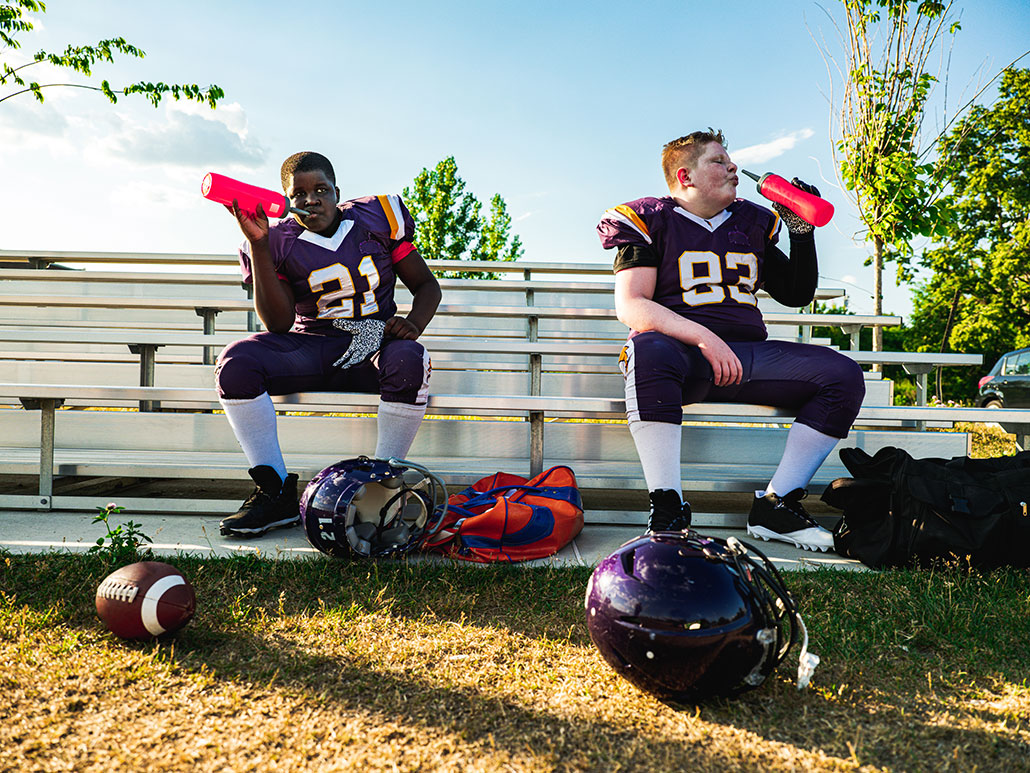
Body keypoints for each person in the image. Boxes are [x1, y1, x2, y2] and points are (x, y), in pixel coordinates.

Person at [596, 129, 864, 552]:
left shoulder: (750, 222)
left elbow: (795, 294)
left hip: (746, 355)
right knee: (646, 349)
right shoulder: (650, 219)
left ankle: (779, 503)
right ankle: (667, 507)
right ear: (685, 176)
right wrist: (704, 338)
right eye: (719, 161)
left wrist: (801, 232)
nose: (733, 167)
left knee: (842, 374)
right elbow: (632, 306)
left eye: (731, 160)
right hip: (679, 355)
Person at [215, 151, 441, 538]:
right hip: (311, 344)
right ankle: (275, 491)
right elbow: (278, 323)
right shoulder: (278, 239)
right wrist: (260, 245)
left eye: (320, 189)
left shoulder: (378, 217)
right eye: (298, 194)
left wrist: (414, 323)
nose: (310, 199)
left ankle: (383, 488)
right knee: (236, 362)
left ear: (338, 192)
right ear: (286, 199)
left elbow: (426, 286)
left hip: (373, 344)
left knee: (410, 359)